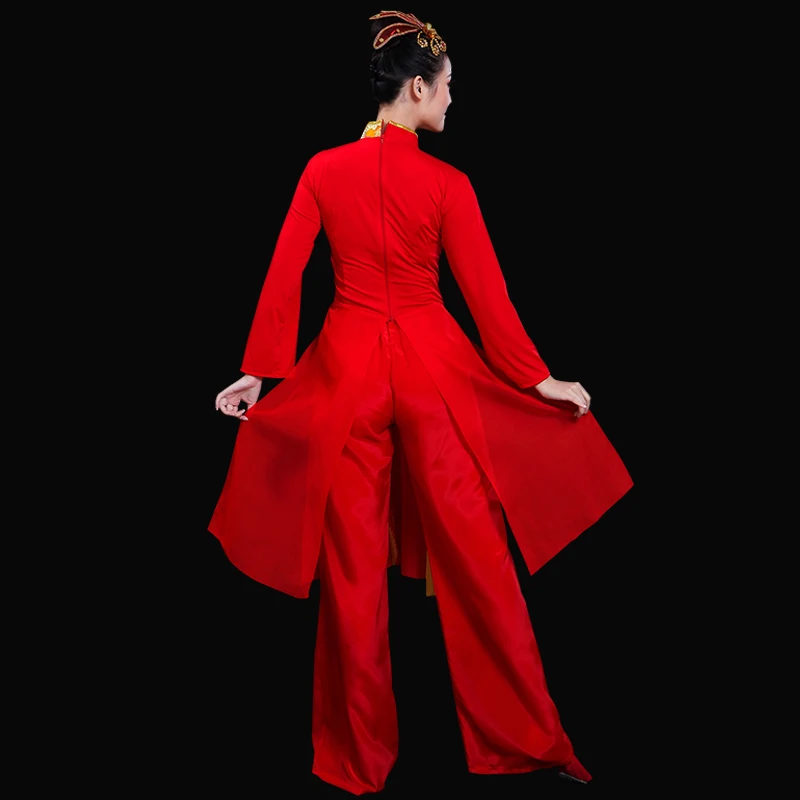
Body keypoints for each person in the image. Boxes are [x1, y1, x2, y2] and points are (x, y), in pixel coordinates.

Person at [210, 10, 633, 795]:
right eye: (447, 86)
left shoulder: (321, 169)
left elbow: (285, 270)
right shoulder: (447, 183)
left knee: (353, 578)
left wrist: (259, 373)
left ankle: (356, 762)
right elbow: (488, 300)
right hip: (434, 374)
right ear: (415, 88)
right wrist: (540, 380)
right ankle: (526, 740)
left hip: (346, 376)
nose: (452, 99)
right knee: (480, 565)